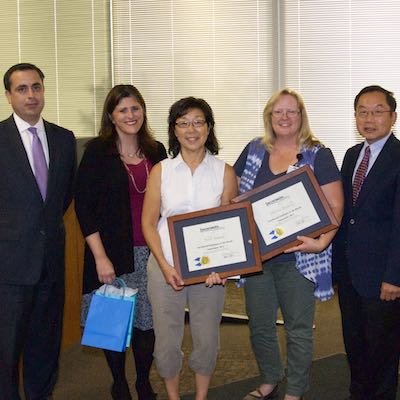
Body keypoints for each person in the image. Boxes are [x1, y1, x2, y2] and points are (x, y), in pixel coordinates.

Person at [235, 88, 343, 400]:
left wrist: (321, 244)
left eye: (291, 112)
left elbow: (335, 205)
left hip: (299, 259)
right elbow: (232, 193)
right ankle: (269, 378)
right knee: (260, 326)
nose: (284, 117)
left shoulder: (317, 154)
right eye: (278, 112)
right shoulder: (254, 150)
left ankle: (294, 390)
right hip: (258, 260)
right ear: (269, 117)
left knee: (298, 328)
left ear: (301, 117)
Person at [75, 84, 167, 400]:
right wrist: (100, 258)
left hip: (152, 252)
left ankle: (142, 379)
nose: (131, 115)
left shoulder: (157, 151)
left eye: (135, 108)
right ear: (112, 116)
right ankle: (119, 382)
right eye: (123, 110)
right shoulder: (97, 153)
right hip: (112, 253)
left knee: (148, 323)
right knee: (113, 321)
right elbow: (84, 208)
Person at [142, 97, 238, 400]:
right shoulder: (162, 170)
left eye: (198, 122)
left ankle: (200, 396)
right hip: (165, 264)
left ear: (209, 128)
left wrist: (221, 267)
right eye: (183, 123)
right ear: (174, 130)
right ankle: (172, 396)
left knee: (207, 337)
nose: (191, 129)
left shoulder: (225, 172)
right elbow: (148, 224)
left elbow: (230, 226)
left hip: (210, 269)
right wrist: (165, 266)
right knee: (167, 340)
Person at [0, 63, 76, 400]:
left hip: (51, 265)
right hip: (9, 269)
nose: (31, 95)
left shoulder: (64, 139)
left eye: (36, 87)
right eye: (22, 89)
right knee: (5, 352)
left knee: (45, 347)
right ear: (8, 96)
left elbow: (62, 197)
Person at [332, 85, 400, 400]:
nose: (369, 119)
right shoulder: (351, 155)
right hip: (349, 273)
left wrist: (394, 277)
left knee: (383, 352)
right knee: (355, 345)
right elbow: (345, 215)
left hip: (383, 276)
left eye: (377, 111)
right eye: (363, 112)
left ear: (393, 117)